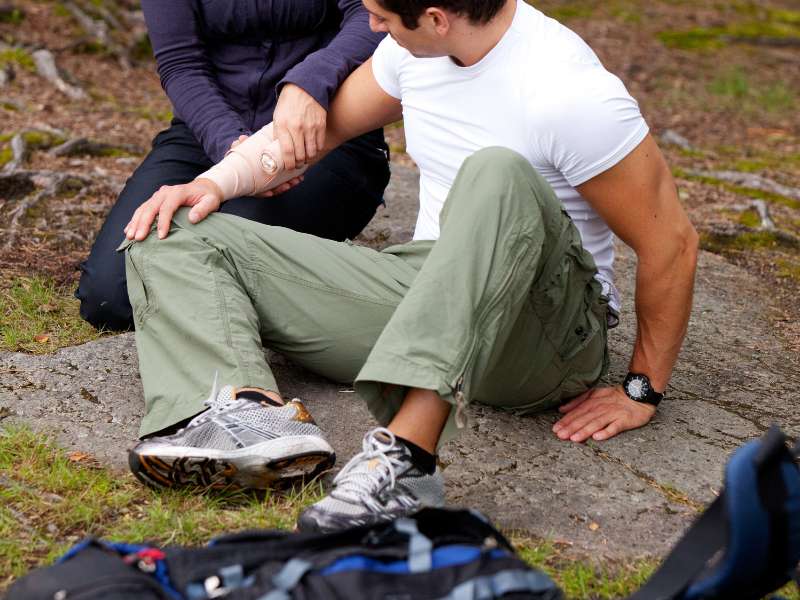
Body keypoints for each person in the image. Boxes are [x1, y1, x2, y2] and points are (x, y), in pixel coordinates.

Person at [120, 0, 699, 532]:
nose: (370, 27)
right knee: (170, 225)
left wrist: (640, 390)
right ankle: (245, 420)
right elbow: (309, 139)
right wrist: (211, 182)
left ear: (437, 17)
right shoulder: (410, 52)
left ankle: (405, 462)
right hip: (429, 283)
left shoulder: (568, 91)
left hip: (542, 334)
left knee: (497, 171)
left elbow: (671, 242)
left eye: (381, 15)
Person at [75, 0, 391, 331]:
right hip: (207, 131)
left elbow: (373, 15)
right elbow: (180, 64)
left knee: (221, 252)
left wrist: (310, 80)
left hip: (325, 130)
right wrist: (232, 148)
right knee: (107, 296)